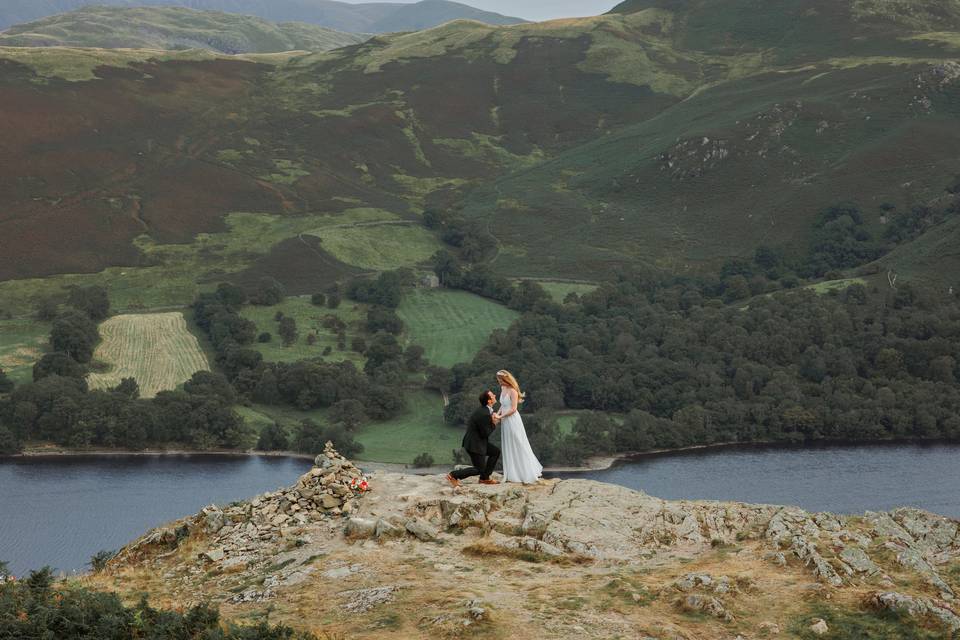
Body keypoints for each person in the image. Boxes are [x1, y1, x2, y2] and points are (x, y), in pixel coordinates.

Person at [495, 370, 543, 484]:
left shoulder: (513, 391)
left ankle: (525, 472)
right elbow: (503, 405)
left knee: (518, 443)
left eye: (500, 380)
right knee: (508, 444)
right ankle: (512, 473)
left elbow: (513, 409)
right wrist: (497, 415)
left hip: (512, 420)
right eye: (498, 380)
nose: (499, 382)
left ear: (505, 379)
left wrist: (501, 416)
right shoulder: (503, 389)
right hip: (505, 421)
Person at [446, 390, 501, 487]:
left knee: (495, 452)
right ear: (489, 401)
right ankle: (453, 475)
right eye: (492, 395)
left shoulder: (485, 410)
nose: (495, 395)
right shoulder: (484, 413)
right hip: (474, 445)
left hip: (478, 442)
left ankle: (485, 478)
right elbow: (485, 433)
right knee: (479, 469)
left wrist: (491, 420)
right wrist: (494, 423)